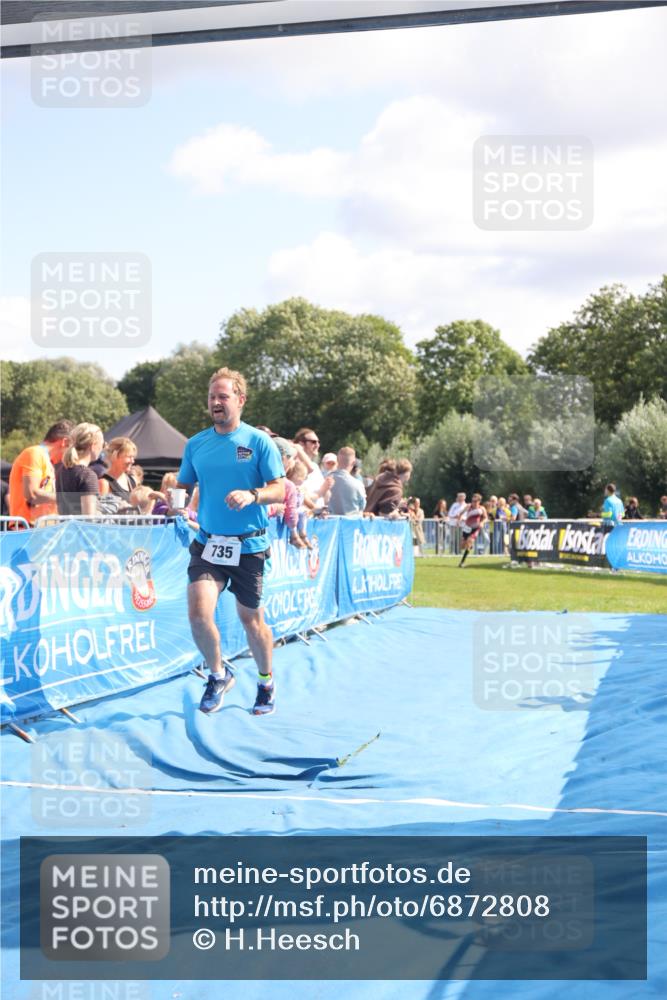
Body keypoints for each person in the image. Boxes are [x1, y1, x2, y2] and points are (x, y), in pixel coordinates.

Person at [176, 367, 285, 716]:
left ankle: (265, 682)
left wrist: (253, 495)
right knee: (198, 613)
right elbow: (183, 485)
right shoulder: (196, 444)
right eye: (212, 397)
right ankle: (218, 674)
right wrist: (174, 504)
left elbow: (280, 489)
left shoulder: (258, 442)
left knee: (251, 620)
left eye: (223, 396)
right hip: (208, 543)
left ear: (241, 399)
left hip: (249, 547)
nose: (216, 402)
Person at [8, 420, 73, 527]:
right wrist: (65, 498)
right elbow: (32, 494)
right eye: (71, 449)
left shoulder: (47, 461)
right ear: (64, 442)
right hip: (27, 528)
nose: (71, 454)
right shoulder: (35, 453)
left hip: (40, 528)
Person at [56, 423, 105, 515]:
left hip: (66, 524)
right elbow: (89, 518)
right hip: (80, 525)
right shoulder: (87, 475)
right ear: (93, 446)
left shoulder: (62, 470)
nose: (102, 449)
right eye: (102, 445)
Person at [293, 428, 332, 510]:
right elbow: (299, 496)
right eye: (313, 442)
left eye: (318, 442)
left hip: (317, 515)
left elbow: (325, 496)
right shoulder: (295, 467)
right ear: (301, 444)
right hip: (303, 515)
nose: (317, 445)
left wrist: (327, 488)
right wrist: (321, 492)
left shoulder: (315, 466)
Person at [328, 446, 366, 516]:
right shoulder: (358, 484)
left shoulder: (325, 480)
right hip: (352, 521)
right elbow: (362, 506)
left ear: (337, 460)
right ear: (354, 463)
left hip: (329, 521)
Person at [103, 437, 138, 503]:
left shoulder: (132, 481)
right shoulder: (104, 483)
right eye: (129, 457)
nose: (132, 461)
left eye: (133, 457)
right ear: (115, 455)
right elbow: (102, 508)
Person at [458, 493, 487, 568]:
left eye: (475, 501)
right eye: (473, 501)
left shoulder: (482, 508)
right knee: (462, 546)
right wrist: (459, 520)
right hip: (467, 527)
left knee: (469, 542)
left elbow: (485, 517)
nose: (473, 503)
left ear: (479, 501)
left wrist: (482, 522)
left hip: (475, 528)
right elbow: (460, 513)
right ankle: (470, 546)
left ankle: (462, 562)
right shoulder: (468, 506)